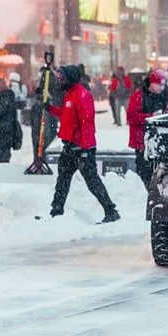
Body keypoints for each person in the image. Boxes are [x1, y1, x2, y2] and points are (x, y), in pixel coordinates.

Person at [48, 64, 119, 223]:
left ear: (70, 78)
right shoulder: (70, 95)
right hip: (69, 146)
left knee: (92, 181)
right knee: (63, 180)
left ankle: (110, 210)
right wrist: (51, 109)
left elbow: (87, 123)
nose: (60, 81)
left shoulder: (81, 95)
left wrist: (85, 149)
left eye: (62, 78)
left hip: (81, 148)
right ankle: (56, 211)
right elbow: (66, 115)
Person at [127, 69, 168, 186]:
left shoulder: (165, 97)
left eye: (163, 85)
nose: (161, 88)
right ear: (151, 83)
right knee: (144, 170)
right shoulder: (139, 96)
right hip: (142, 140)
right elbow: (131, 117)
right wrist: (150, 117)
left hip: (160, 141)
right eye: (158, 84)